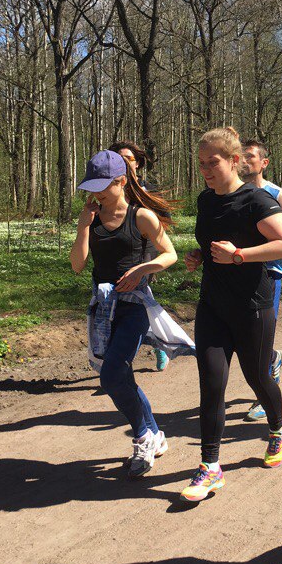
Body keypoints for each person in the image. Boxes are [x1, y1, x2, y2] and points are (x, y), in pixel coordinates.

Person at [182, 127, 282, 502]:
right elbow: (209, 240)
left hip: (252, 306)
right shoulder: (205, 200)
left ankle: (279, 427)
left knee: (257, 377)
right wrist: (199, 256)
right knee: (212, 384)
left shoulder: (257, 199)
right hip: (213, 305)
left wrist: (240, 255)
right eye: (201, 164)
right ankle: (210, 467)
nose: (206, 170)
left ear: (233, 161)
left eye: (212, 163)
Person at [70, 150, 193, 478]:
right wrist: (84, 227)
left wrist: (143, 269)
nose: (95, 193)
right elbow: (78, 265)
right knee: (120, 375)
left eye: (102, 186)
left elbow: (170, 255)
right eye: (91, 186)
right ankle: (155, 433)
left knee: (111, 375)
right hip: (102, 308)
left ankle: (142, 438)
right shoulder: (92, 217)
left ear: (121, 181)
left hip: (135, 307)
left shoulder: (141, 217)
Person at [240, 139, 282, 422]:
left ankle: (262, 398)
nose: (244, 160)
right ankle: (273, 358)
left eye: (250, 156)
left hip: (267, 275)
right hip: (233, 273)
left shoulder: (277, 195)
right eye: (240, 155)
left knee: (258, 338)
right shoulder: (229, 192)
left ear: (264, 163)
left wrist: (265, 249)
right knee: (243, 339)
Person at [108, 140, 170, 371]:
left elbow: (163, 218)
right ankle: (155, 342)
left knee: (138, 298)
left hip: (145, 254)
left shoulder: (149, 190)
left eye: (129, 158)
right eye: (118, 158)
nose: (124, 162)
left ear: (138, 164)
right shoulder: (108, 189)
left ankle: (122, 362)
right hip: (117, 254)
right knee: (131, 302)